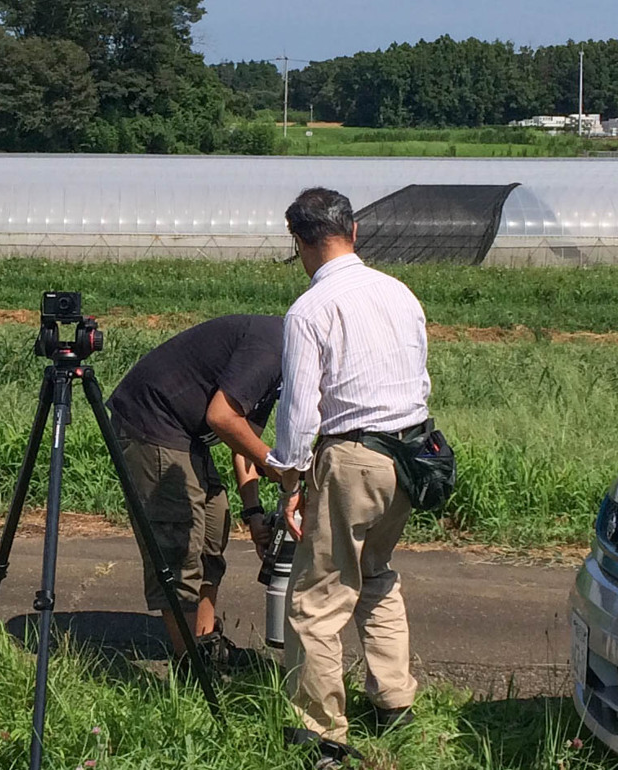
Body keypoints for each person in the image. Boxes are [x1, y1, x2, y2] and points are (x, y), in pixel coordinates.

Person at [266, 187, 430, 746]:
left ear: (299, 242)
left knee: (318, 597)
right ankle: (394, 701)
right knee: (378, 575)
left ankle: (320, 731)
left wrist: (291, 474)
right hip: (411, 452)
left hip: (352, 456)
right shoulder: (399, 292)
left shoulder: (310, 309)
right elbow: (421, 378)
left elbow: (300, 407)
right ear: (353, 231)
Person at [107, 315, 283, 665]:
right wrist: (278, 466)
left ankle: (204, 643)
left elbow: (244, 443)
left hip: (188, 435)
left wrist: (254, 514)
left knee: (213, 532)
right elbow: (222, 417)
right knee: (179, 544)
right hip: (153, 422)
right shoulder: (273, 346)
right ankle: (192, 665)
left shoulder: (283, 368)